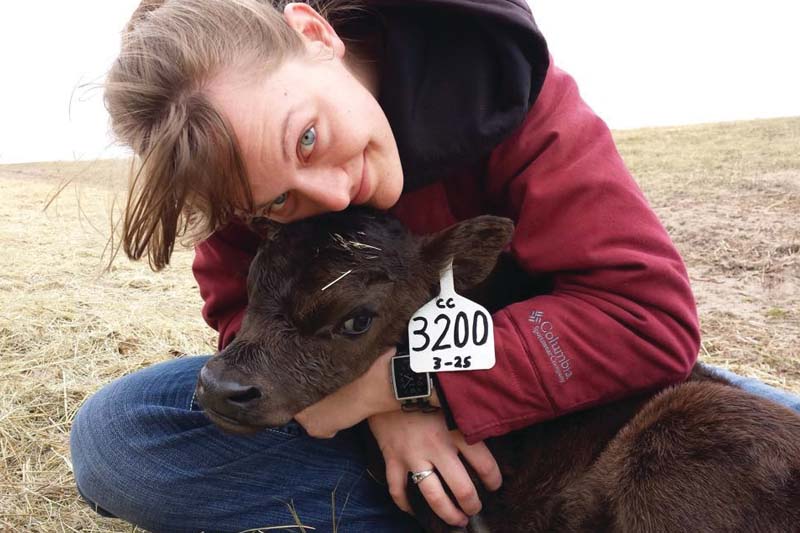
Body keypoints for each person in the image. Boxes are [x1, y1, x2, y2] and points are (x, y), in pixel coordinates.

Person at [69, 1, 800, 532]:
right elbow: (241, 319)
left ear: (315, 34)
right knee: (118, 438)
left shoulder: (502, 89)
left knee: (726, 446)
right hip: (412, 426)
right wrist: (383, 419)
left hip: (580, 390)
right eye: (278, 203)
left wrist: (411, 390)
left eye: (310, 136)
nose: (328, 192)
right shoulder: (236, 164)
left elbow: (647, 318)